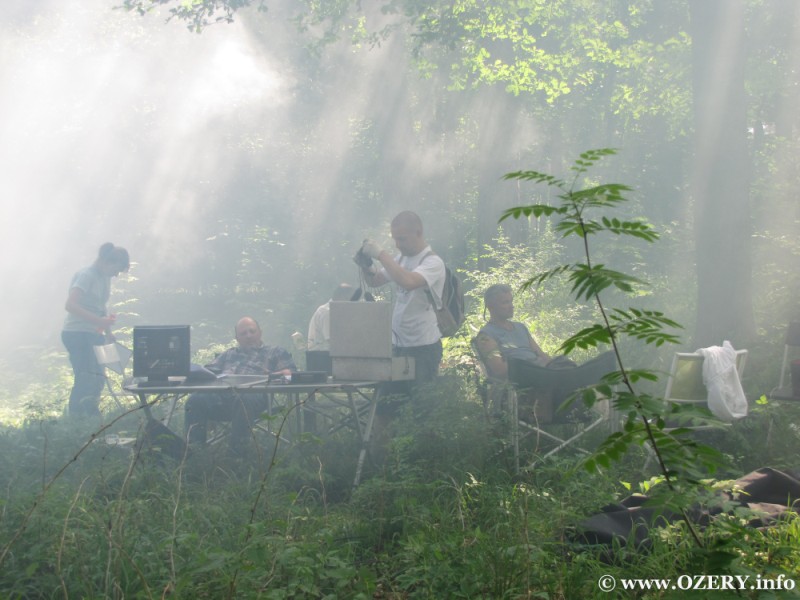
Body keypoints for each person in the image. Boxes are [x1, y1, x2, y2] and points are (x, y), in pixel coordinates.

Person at [357, 211, 446, 385]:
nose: (398, 244)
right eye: (395, 239)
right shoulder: (401, 259)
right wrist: (365, 263)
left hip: (423, 346)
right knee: (389, 405)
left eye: (402, 239)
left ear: (418, 233)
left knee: (420, 405)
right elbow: (375, 281)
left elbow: (409, 281)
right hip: (398, 345)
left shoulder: (433, 262)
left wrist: (381, 255)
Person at [184, 317, 296, 452]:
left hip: (255, 396)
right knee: (194, 400)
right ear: (237, 338)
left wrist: (273, 374)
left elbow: (291, 373)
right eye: (243, 333)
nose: (248, 336)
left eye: (252, 331)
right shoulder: (228, 354)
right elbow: (207, 371)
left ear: (260, 333)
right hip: (221, 398)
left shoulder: (275, 352)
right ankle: (194, 452)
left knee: (243, 399)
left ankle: (237, 453)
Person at [62, 242, 130, 417]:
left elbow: (100, 306)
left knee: (99, 377)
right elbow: (70, 305)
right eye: (116, 270)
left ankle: (92, 416)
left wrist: (108, 331)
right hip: (77, 334)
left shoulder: (104, 278)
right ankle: (77, 419)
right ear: (107, 262)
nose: (116, 275)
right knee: (85, 377)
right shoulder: (86, 275)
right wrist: (98, 320)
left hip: (95, 334)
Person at [475, 283, 573, 380]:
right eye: (505, 302)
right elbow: (499, 370)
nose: (511, 306)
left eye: (511, 301)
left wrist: (556, 368)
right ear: (490, 306)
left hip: (542, 371)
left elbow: (541, 355)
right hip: (524, 378)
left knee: (567, 366)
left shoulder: (520, 327)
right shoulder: (486, 335)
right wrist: (529, 368)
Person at [307, 283, 354, 351]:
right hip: (320, 356)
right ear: (342, 296)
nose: (351, 303)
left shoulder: (334, 311)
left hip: (327, 354)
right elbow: (333, 341)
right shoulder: (328, 313)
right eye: (350, 299)